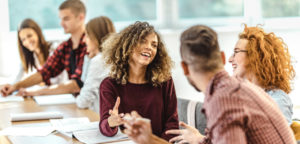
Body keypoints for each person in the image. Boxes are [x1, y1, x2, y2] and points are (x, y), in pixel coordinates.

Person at [123, 25, 296, 144]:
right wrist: (150, 140)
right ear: (221, 57)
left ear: (184, 68)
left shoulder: (224, 99)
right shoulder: (236, 89)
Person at [99, 21, 179, 141]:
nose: (149, 47)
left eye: (154, 45)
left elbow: (172, 124)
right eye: (143, 41)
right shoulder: (109, 85)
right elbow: (104, 127)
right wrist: (111, 122)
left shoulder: (164, 81)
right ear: (127, 46)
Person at [0, 0, 86, 96]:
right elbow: (44, 72)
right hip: (76, 102)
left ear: (80, 18)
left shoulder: (89, 45)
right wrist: (14, 86)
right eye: (60, 19)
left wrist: (33, 92)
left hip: (92, 106)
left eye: (66, 19)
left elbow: (76, 85)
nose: (61, 23)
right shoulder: (65, 47)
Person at [228, 25, 295, 125]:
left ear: (254, 56)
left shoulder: (277, 99)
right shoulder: (240, 96)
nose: (229, 59)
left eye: (236, 52)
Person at [76, 16, 116, 113]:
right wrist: (88, 58)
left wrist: (77, 100)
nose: (84, 40)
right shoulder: (111, 57)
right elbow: (84, 83)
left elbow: (83, 101)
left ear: (96, 37)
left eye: (87, 36)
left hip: (100, 118)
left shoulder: (99, 60)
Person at [15, 18, 67, 85]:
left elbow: (62, 80)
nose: (27, 41)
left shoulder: (54, 49)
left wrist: (42, 82)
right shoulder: (29, 56)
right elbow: (17, 80)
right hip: (45, 92)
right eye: (23, 39)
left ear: (38, 33)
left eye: (29, 36)